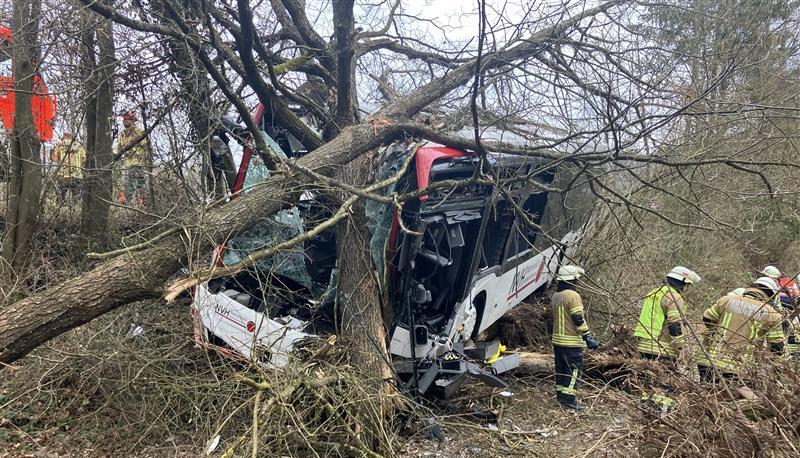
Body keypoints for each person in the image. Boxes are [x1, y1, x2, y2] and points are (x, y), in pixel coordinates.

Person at [696, 277, 784, 383]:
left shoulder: (726, 300)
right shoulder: (771, 314)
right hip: (742, 368)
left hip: (713, 361)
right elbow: (777, 346)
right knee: (735, 399)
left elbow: (708, 319)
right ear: (770, 295)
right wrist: (776, 373)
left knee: (709, 394)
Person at [550, 265, 600, 411]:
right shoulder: (573, 296)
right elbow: (578, 318)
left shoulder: (556, 296)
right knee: (573, 371)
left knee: (561, 369)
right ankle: (569, 400)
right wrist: (587, 337)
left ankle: (561, 396)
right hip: (571, 342)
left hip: (558, 340)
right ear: (572, 279)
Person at [635, 266, 701, 360]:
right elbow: (674, 324)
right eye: (687, 285)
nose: (687, 289)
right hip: (661, 347)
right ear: (682, 283)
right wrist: (680, 347)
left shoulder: (654, 292)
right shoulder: (674, 297)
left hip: (643, 344)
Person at [114, 111, 152, 207]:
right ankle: (128, 203)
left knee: (137, 184)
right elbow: (118, 148)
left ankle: (139, 203)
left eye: (127, 119)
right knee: (127, 183)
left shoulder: (139, 132)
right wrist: (112, 155)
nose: (124, 121)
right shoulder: (122, 134)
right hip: (126, 164)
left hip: (138, 163)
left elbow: (147, 147)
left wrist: (147, 161)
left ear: (132, 120)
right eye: (124, 119)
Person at [50, 132, 86, 203]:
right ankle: (75, 211)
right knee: (76, 198)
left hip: (63, 175)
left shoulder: (60, 145)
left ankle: (59, 211)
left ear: (64, 136)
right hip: (77, 175)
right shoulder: (80, 146)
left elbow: (53, 158)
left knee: (60, 198)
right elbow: (84, 160)